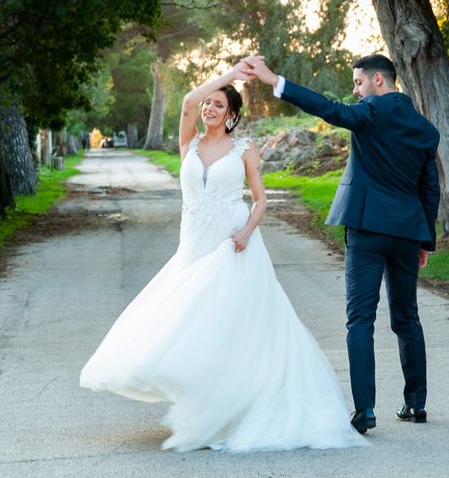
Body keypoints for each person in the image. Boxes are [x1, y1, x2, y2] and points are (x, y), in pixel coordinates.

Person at [79, 61, 368, 452]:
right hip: (193, 244)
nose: (208, 109)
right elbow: (186, 101)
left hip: (232, 244)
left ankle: (234, 409)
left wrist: (247, 232)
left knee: (231, 325)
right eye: (207, 104)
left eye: (218, 105)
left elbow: (261, 200)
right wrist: (230, 75)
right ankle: (207, 401)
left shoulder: (244, 149)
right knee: (188, 324)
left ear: (231, 115)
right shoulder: (189, 143)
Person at [246, 54, 440, 433]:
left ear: (379, 81)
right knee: (407, 317)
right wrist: (424, 242)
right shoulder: (424, 129)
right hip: (405, 233)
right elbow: (429, 190)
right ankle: (416, 404)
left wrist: (276, 81)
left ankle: (365, 411)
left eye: (358, 83)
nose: (355, 91)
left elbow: (328, 109)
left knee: (360, 320)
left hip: (366, 229)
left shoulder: (369, 112)